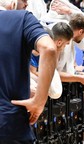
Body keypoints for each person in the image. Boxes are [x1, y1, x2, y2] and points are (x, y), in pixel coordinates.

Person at [0, 0, 57, 143]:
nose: (26, 4)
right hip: (9, 122)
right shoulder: (22, 18)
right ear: (12, 3)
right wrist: (39, 101)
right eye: (23, 1)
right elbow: (49, 49)